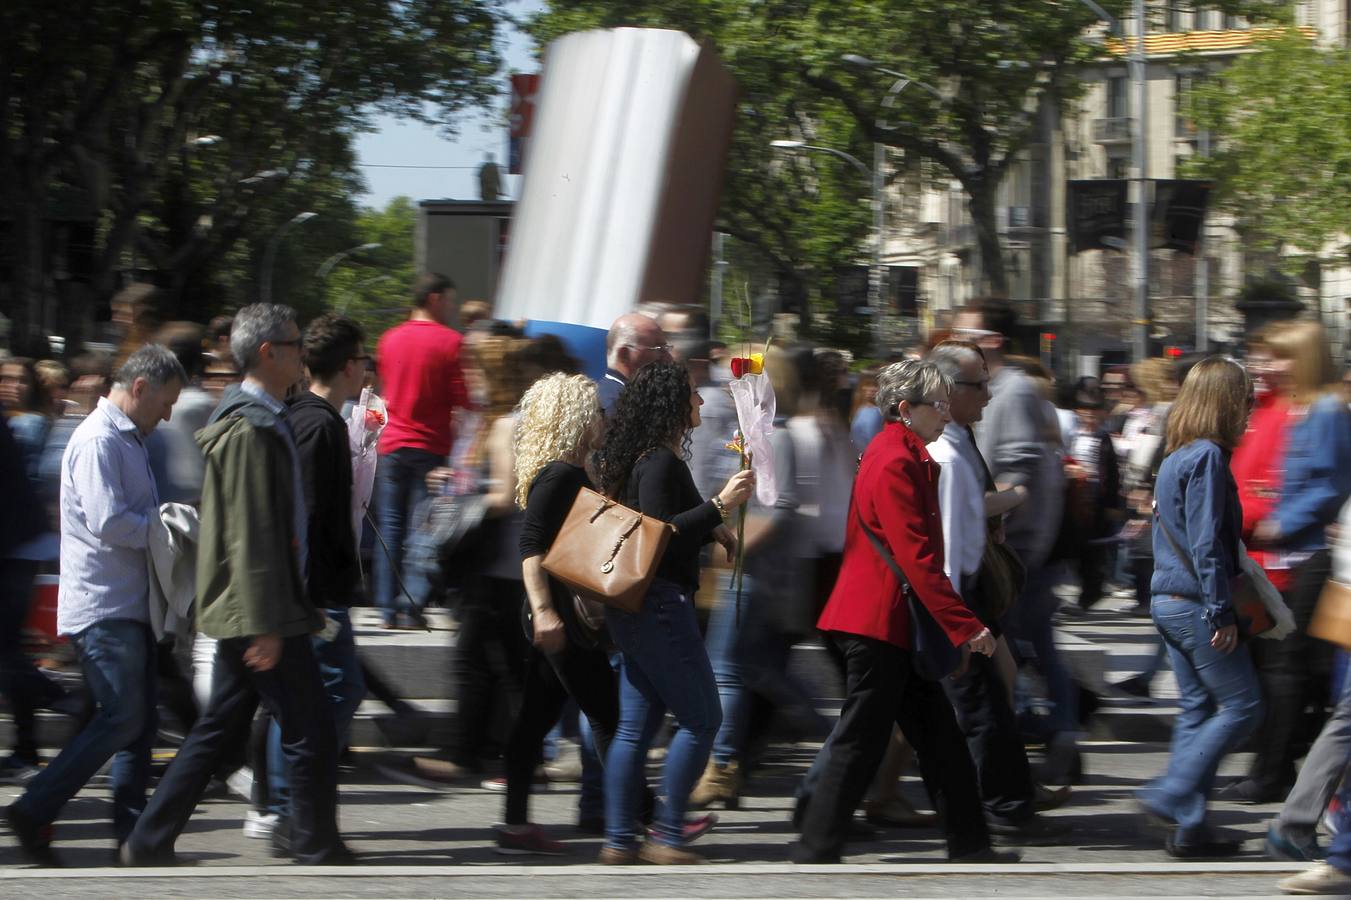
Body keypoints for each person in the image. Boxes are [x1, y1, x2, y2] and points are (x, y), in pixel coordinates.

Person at [121, 304, 351, 866]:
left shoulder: (258, 417)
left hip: (250, 608)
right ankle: (313, 842)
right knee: (312, 727)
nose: (303, 354)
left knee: (219, 729)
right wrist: (268, 623)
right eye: (295, 346)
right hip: (262, 612)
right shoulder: (251, 426)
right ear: (269, 353)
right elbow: (253, 534)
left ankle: (149, 839)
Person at [790, 359, 1008, 865]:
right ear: (905, 409)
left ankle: (970, 844)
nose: (947, 414)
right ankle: (816, 843)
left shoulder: (901, 454)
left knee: (937, 738)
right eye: (938, 404)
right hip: (877, 621)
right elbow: (916, 557)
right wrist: (964, 625)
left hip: (887, 620)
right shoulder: (895, 460)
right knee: (863, 738)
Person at [5, 345, 185, 865]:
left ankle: (132, 837)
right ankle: (36, 807)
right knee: (124, 718)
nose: (169, 414)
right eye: (166, 403)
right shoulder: (100, 440)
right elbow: (110, 523)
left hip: (128, 605)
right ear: (141, 389)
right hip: (105, 608)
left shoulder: (125, 438)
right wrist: (169, 526)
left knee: (137, 723)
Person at [594, 361, 755, 864]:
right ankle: (665, 835)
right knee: (704, 718)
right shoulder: (659, 463)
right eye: (692, 394)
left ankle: (620, 840)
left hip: (637, 606)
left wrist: (713, 528)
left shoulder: (644, 459)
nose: (701, 402)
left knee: (633, 730)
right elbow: (661, 534)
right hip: (660, 605)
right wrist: (720, 506)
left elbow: (659, 523)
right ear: (671, 404)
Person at [926, 341, 1068, 842]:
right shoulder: (944, 449)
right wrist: (957, 618)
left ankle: (1009, 795)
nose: (989, 395)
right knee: (976, 702)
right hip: (959, 593)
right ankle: (1000, 805)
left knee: (994, 688)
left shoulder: (960, 439)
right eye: (978, 385)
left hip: (971, 592)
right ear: (947, 391)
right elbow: (947, 539)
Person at [1137, 356, 1264, 858]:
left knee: (1197, 709)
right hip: (1195, 601)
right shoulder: (1208, 457)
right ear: (1225, 402)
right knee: (1243, 705)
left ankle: (1191, 830)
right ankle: (1169, 795)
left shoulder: (1176, 455)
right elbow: (1207, 543)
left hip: (1166, 600)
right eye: (1246, 397)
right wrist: (1221, 611)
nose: (1251, 406)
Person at [494, 373, 625, 854]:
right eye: (595, 411)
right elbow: (530, 548)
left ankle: (514, 826)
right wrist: (545, 612)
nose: (602, 419)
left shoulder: (568, 472)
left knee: (534, 718)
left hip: (553, 615)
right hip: (556, 617)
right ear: (574, 418)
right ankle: (648, 820)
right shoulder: (560, 475)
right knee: (610, 716)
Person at [1229, 321, 1351, 804]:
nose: (1268, 366)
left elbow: (1329, 482)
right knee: (1277, 663)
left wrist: (1282, 520)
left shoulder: (1324, 410)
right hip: (1281, 554)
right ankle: (1280, 764)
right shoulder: (1289, 407)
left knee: (1287, 667)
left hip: (1305, 556)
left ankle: (1274, 771)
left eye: (1280, 357)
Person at [953, 302, 1075, 784]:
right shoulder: (998, 391)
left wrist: (986, 518)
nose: (952, 339)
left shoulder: (1013, 391)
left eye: (963, 333)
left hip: (1015, 549)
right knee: (1025, 649)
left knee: (1008, 652)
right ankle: (1048, 739)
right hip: (1004, 543)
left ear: (993, 340)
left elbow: (1018, 473)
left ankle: (1026, 748)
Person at [260, 314, 371, 830]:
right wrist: (310, 594)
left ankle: (288, 803)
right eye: (364, 358)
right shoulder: (319, 424)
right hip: (316, 592)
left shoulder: (317, 418)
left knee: (321, 693)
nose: (368, 368)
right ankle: (288, 807)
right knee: (329, 693)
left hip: (316, 588)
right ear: (349, 367)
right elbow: (303, 514)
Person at [373, 272, 470, 629]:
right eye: (449, 300)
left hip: (392, 443)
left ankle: (385, 607)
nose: (452, 307)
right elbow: (463, 399)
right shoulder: (451, 342)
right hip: (431, 446)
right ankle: (409, 602)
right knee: (424, 528)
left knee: (391, 526)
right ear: (434, 299)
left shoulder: (389, 339)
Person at [596, 312, 673, 416]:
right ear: (624, 354)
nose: (669, 358)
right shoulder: (617, 406)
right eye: (659, 349)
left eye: (667, 349)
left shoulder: (607, 395)